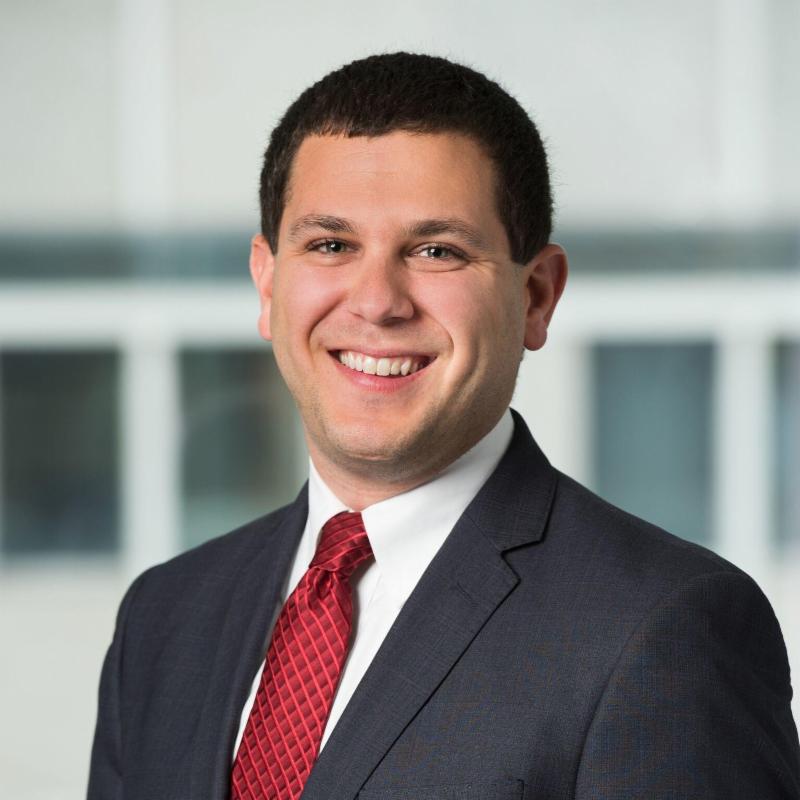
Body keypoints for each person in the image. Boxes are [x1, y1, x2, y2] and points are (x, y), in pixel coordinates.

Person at [87, 52, 800, 799]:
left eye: (436, 251)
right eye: (331, 245)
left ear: (536, 297)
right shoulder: (164, 618)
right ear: (268, 284)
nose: (377, 302)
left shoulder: (664, 627)